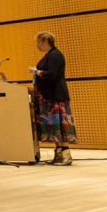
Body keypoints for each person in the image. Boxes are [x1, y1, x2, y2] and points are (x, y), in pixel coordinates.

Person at [28, 31, 77, 166]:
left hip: (56, 97)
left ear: (45, 42)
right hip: (49, 97)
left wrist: (36, 71)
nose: (37, 45)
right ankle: (59, 155)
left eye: (38, 42)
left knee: (59, 126)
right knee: (54, 127)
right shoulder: (49, 55)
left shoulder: (55, 55)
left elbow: (52, 74)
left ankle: (66, 155)